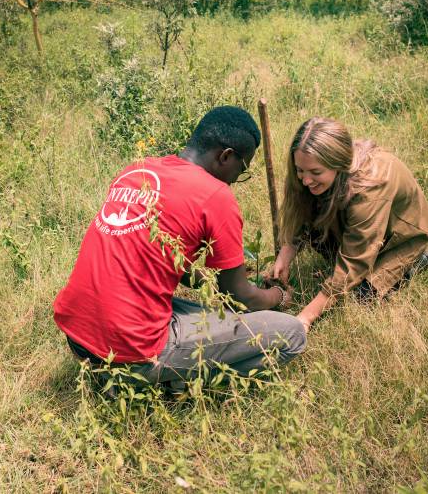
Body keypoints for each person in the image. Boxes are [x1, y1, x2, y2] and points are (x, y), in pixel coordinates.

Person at [54, 106, 306, 388]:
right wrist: (277, 295)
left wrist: (208, 278)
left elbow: (161, 258)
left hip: (78, 338)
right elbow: (239, 297)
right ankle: (167, 385)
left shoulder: (139, 169)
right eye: (242, 169)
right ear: (226, 156)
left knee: (210, 316)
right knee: (291, 333)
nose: (237, 180)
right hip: (129, 355)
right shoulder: (215, 195)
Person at [269, 117, 428, 332]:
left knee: (361, 297)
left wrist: (306, 317)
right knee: (323, 240)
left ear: (338, 163)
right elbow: (301, 212)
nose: (306, 180)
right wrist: (285, 255)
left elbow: (353, 262)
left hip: (400, 237)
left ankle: (416, 261)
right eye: (300, 170)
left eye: (315, 173)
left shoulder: (370, 188)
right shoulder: (316, 170)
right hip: (362, 226)